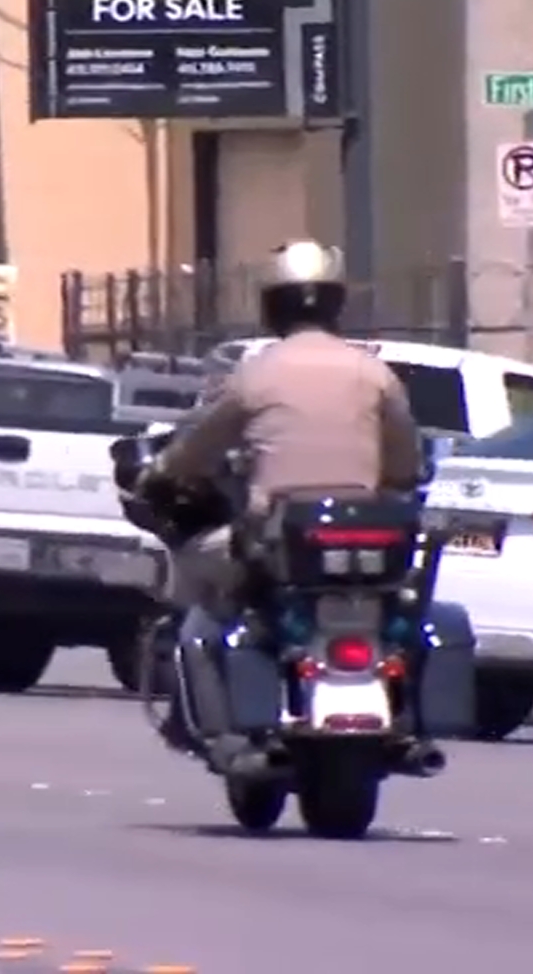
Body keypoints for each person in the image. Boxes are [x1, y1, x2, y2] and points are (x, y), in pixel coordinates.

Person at [140, 239, 424, 774]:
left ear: (272, 305)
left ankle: (208, 721)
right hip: (367, 546)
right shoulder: (373, 372)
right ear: (337, 303)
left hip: (277, 542)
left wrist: (164, 471)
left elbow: (196, 448)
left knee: (198, 599)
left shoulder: (257, 373)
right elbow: (406, 458)